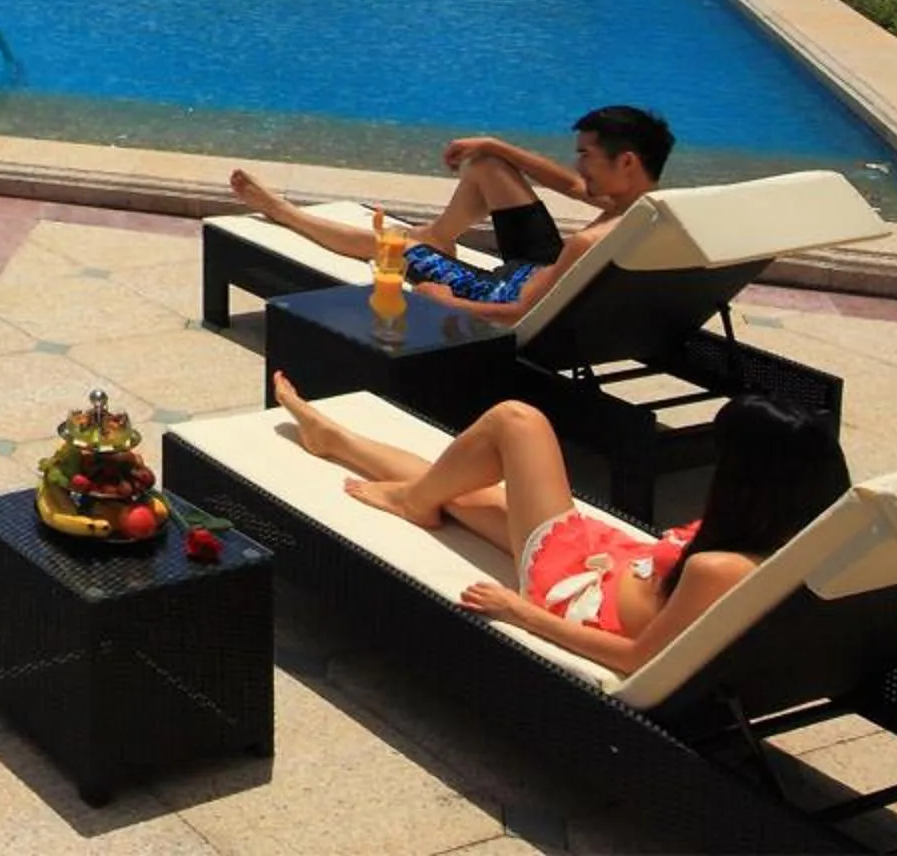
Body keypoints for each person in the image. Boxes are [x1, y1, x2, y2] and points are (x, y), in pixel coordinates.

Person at [272, 374, 848, 675]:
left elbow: (637, 658)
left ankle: (400, 492)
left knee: (515, 421)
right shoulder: (801, 532)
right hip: (610, 558)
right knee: (464, 492)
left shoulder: (719, 568)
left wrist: (518, 611)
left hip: (574, 589)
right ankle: (339, 442)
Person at [227, 105, 675, 325]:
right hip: (541, 268)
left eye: (586, 155)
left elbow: (519, 313)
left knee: (395, 245)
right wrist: (495, 146)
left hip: (501, 292)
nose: (579, 166)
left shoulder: (587, 243)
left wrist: (446, 302)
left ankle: (283, 212)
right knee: (487, 165)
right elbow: (572, 186)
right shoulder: (650, 211)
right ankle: (441, 235)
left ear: (626, 161)